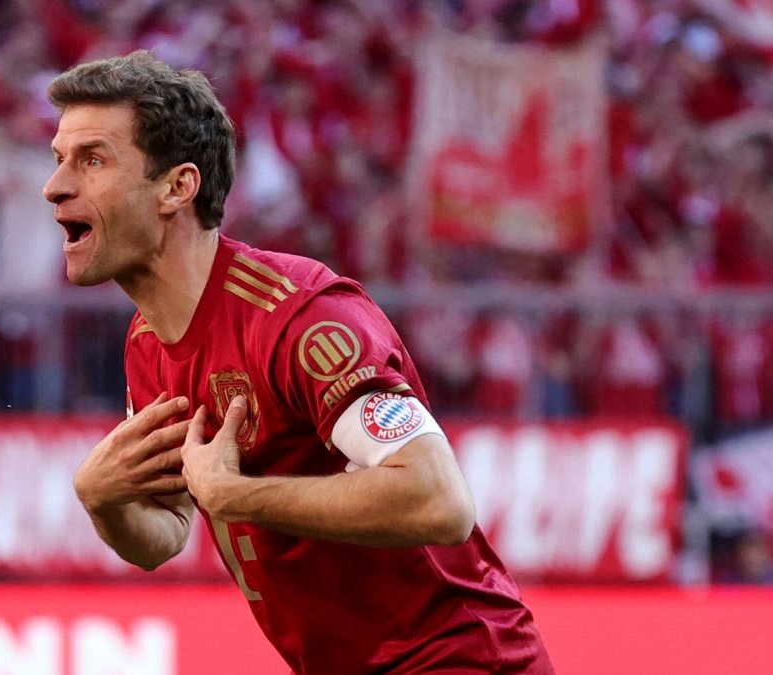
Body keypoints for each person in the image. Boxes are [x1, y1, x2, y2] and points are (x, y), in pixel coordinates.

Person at [44, 51, 553, 673]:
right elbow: (166, 535)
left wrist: (239, 495)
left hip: (458, 659)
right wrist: (103, 501)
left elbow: (438, 500)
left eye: (91, 160)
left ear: (177, 187)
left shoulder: (300, 318)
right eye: (60, 159)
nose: (56, 186)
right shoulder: (146, 343)